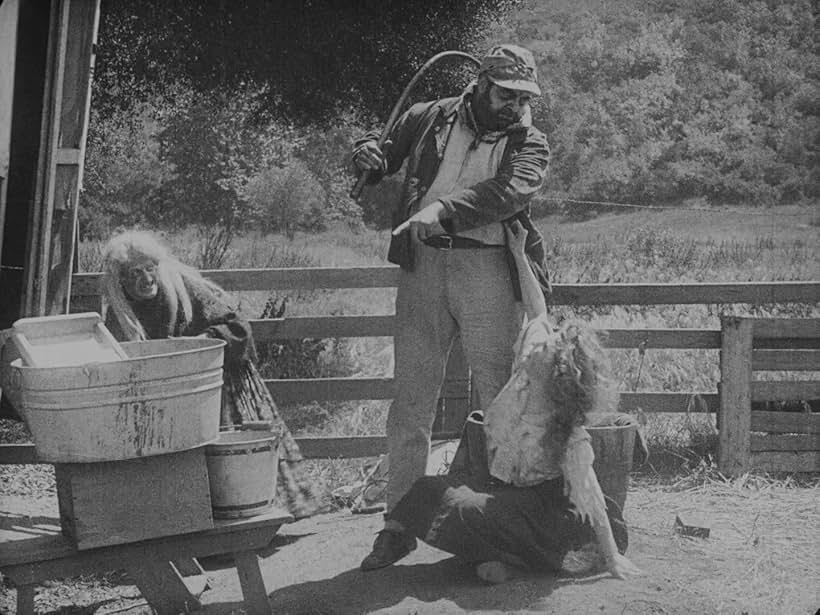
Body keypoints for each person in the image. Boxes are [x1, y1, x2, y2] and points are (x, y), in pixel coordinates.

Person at [353, 43, 552, 570]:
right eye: (505, 93)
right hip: (422, 267)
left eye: (522, 96)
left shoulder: (531, 142)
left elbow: (507, 193)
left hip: (488, 268)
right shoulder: (429, 116)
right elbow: (382, 154)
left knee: (502, 401)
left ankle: (501, 529)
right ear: (482, 84)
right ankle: (398, 526)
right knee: (411, 402)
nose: (514, 104)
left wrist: (440, 210)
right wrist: (367, 152)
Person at [361, 220, 642, 582]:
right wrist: (518, 251)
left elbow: (592, 498)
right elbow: (537, 308)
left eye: (543, 348)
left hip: (555, 517)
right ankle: (504, 558)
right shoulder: (529, 363)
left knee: (486, 514)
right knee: (431, 490)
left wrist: (613, 557)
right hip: (512, 505)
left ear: (556, 375)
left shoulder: (565, 432)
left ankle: (517, 562)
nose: (533, 342)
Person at [100, 230, 319, 518]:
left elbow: (237, 326)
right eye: (134, 272)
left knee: (235, 458)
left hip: (223, 384)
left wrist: (202, 341)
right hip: (172, 394)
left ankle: (258, 518)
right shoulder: (120, 312)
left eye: (149, 268)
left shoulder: (183, 285)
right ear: (121, 280)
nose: (146, 278)